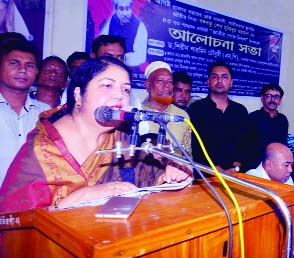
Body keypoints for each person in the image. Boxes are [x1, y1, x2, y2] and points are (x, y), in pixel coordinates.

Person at [0, 56, 192, 212]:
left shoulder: (124, 139)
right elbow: (12, 223)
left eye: (126, 89)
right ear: (78, 94)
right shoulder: (40, 151)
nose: (120, 95)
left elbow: (153, 179)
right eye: (107, 85)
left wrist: (173, 176)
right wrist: (71, 201)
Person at [0, 40, 50, 186]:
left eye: (30, 65)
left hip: (32, 201)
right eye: (14, 63)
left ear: (37, 72)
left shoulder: (45, 112)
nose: (22, 70)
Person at [188, 61, 249, 174]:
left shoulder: (240, 111)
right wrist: (213, 168)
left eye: (224, 77)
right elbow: (194, 144)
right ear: (208, 82)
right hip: (204, 174)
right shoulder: (196, 109)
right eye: (215, 77)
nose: (219, 81)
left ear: (231, 82)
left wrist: (236, 167)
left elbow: (245, 144)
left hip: (235, 175)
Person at [139, 61, 191, 156]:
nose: (166, 85)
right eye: (160, 81)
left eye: (170, 81)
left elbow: (187, 154)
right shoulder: (136, 113)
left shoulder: (182, 115)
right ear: (148, 85)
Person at [91, 35, 140, 108]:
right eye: (108, 57)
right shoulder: (82, 85)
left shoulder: (127, 90)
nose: (115, 62)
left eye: (120, 57)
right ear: (93, 57)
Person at [248, 83, 288, 168]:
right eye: (269, 96)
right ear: (262, 98)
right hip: (255, 167)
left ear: (280, 101)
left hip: (276, 167)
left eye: (276, 97)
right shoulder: (252, 118)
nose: (272, 100)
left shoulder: (283, 120)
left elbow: (283, 145)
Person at [100, 0, 148, 67]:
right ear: (116, 10)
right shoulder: (111, 20)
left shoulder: (140, 26)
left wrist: (120, 59)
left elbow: (140, 57)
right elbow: (101, 47)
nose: (125, 13)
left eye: (127, 8)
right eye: (121, 9)